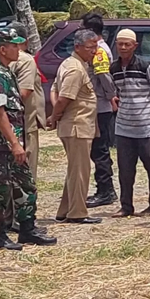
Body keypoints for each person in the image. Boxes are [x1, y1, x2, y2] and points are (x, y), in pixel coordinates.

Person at [0, 27, 55, 250]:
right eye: (14, 45)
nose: (19, 49)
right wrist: (14, 144)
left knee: (25, 184)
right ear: (3, 49)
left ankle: (27, 229)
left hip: (12, 141)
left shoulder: (5, 70)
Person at [47, 29, 102, 224]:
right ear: (77, 47)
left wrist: (56, 114)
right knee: (81, 170)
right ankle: (78, 212)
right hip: (77, 126)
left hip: (77, 125)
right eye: (90, 47)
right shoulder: (75, 68)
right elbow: (63, 97)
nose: (94, 51)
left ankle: (66, 209)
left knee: (75, 169)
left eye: (96, 46)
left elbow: (54, 90)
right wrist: (55, 115)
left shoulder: (73, 64)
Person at [112, 29, 150, 217]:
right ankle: (126, 206)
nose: (123, 48)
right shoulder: (114, 68)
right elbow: (113, 92)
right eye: (120, 44)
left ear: (135, 46)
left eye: (127, 44)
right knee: (125, 170)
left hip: (145, 126)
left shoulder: (145, 67)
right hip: (123, 127)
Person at [80, 12, 119, 209]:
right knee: (98, 148)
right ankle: (104, 188)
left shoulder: (99, 51)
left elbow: (104, 75)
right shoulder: (99, 48)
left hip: (99, 105)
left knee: (99, 149)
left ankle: (106, 190)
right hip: (97, 103)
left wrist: (110, 95)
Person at [12, 43, 47, 176]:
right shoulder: (25, 60)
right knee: (26, 171)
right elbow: (24, 93)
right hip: (24, 122)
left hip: (8, 122)